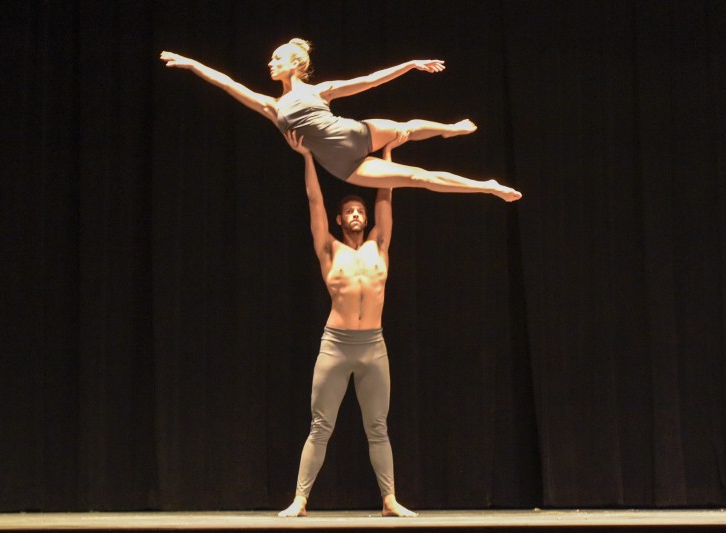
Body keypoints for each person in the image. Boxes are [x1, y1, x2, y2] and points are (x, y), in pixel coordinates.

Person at [160, 39, 522, 202]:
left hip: (355, 134)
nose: (270, 63)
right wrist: (193, 64)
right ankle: (488, 186)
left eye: (277, 58)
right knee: (417, 178)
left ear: (295, 64)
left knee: (408, 129)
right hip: (341, 167)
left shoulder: (320, 90)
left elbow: (368, 81)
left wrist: (409, 65)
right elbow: (228, 84)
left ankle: (450, 130)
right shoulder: (271, 105)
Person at [277, 129, 416, 518]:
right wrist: (307, 157)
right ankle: (300, 500)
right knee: (320, 426)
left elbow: (386, 192)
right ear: (340, 220)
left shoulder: (380, 246)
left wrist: (387, 151)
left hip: (374, 346)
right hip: (335, 345)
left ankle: (389, 500)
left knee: (378, 428)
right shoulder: (328, 249)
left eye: (361, 211)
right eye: (350, 211)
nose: (357, 214)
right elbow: (314, 200)